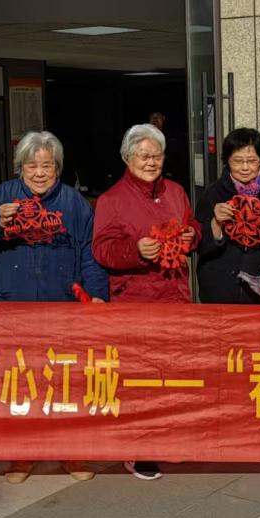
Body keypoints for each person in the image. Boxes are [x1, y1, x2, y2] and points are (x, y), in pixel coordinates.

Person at [0, 130, 107, 484]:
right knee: (19, 381)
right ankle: (22, 455)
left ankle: (70, 452)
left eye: (47, 165)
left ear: (57, 168)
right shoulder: (2, 196)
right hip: (12, 307)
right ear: (21, 168)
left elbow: (89, 253)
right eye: (32, 166)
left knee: (65, 381)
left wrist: (95, 294)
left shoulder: (74, 203)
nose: (40, 173)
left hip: (63, 306)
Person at [92, 123, 200, 480]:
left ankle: (170, 438)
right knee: (140, 378)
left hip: (175, 295)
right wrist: (135, 251)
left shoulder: (176, 192)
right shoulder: (112, 199)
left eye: (157, 156)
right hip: (137, 300)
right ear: (127, 158)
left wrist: (193, 234)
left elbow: (192, 226)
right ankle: (139, 449)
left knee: (174, 372)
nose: (151, 162)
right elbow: (102, 250)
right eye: (143, 156)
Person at [195, 127, 260, 304]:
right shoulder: (213, 194)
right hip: (219, 291)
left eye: (252, 161)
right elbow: (197, 244)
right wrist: (216, 224)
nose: (245, 167)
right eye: (237, 161)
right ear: (227, 161)